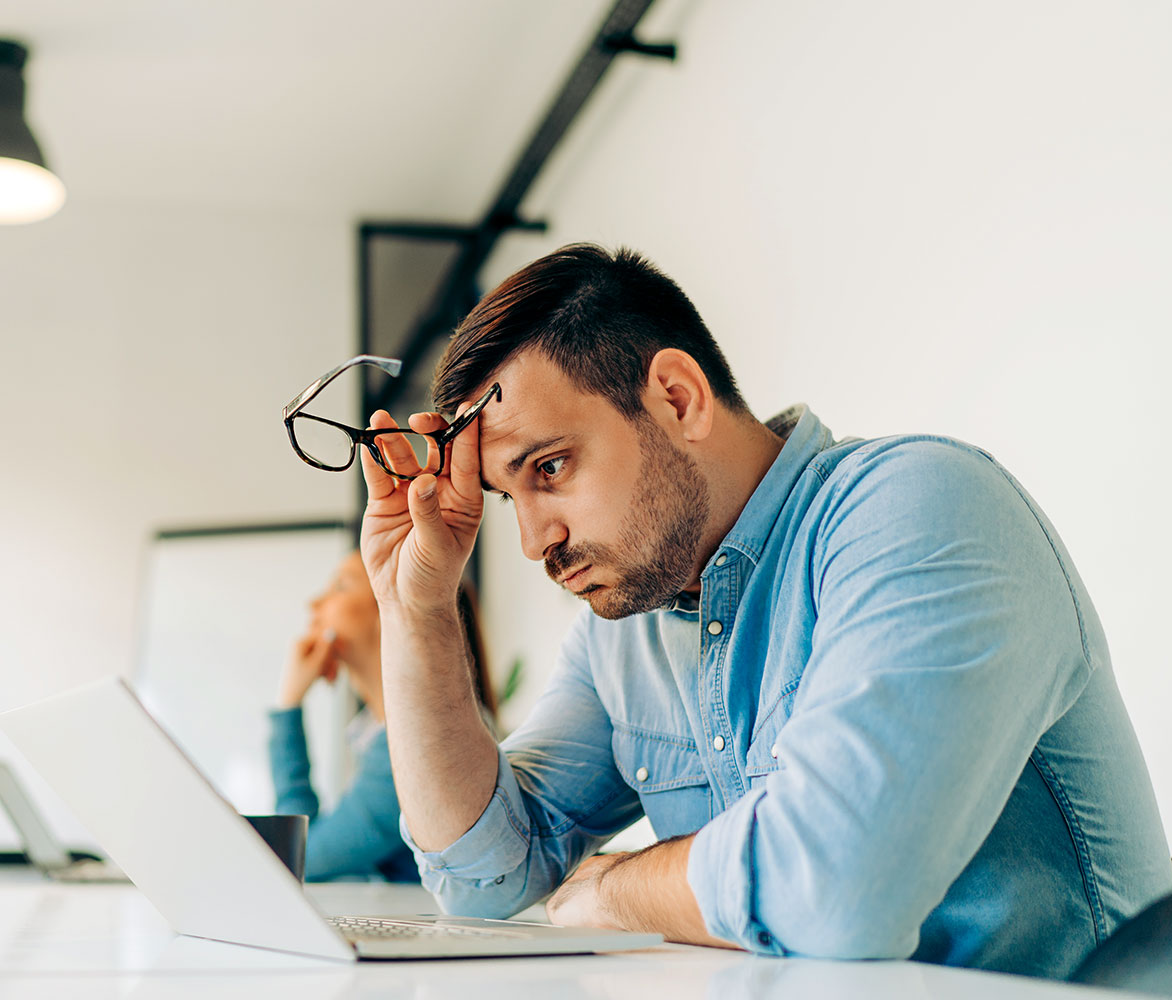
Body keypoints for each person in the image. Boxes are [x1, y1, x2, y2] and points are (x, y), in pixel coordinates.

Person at [351, 243, 1171, 977]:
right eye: (507, 497)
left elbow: (836, 890)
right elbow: (482, 877)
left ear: (677, 399)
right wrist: (414, 609)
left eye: (552, 468)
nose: (534, 541)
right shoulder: (625, 634)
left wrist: (616, 887)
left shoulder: (919, 505)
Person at [267, 551, 495, 882]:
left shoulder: (422, 741)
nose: (314, 603)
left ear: (391, 607)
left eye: (341, 586)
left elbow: (301, 858)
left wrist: (288, 705)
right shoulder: (379, 734)